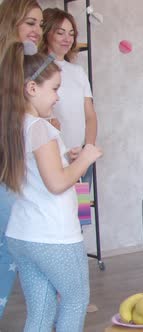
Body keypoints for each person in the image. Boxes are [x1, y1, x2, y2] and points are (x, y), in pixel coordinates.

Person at [0, 41, 102, 331]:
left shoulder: (14, 125)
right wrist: (85, 158)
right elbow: (57, 183)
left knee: (41, 311)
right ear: (32, 88)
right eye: (55, 88)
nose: (58, 97)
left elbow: (39, 171)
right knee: (75, 300)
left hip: (22, 235)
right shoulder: (40, 127)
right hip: (53, 235)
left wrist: (66, 157)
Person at [0, 0, 42, 319]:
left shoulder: (21, 61)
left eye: (40, 25)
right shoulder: (14, 59)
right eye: (30, 23)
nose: (36, 32)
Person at [39, 8, 97, 183]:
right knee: (58, 210)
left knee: (81, 210)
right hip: (53, 160)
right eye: (60, 33)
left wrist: (87, 151)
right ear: (46, 33)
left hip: (80, 160)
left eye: (71, 34)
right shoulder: (35, 70)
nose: (67, 39)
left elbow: (90, 117)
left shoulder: (78, 72)